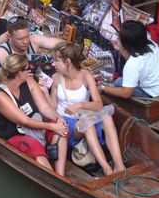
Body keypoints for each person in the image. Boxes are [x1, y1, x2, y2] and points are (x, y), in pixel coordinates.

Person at [50, 43, 125, 176]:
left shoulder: (86, 75)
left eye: (56, 61)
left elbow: (98, 104)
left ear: (68, 61)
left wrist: (80, 105)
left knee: (107, 117)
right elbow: (52, 108)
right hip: (68, 123)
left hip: (84, 115)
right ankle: (107, 168)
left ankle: (119, 165)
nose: (53, 64)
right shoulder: (56, 78)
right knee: (88, 125)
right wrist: (44, 90)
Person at [0, 54, 69, 174]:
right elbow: (24, 121)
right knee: (33, 146)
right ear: (19, 73)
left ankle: (60, 174)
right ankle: (53, 179)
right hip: (15, 134)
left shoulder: (29, 81)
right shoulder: (0, 95)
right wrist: (51, 126)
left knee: (61, 131)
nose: (30, 71)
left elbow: (43, 107)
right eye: (27, 69)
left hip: (36, 128)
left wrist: (58, 118)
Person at [102, 20, 159, 100]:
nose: (118, 39)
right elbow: (135, 62)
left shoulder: (132, 64)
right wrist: (121, 49)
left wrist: (103, 88)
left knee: (119, 82)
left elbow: (126, 93)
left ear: (127, 44)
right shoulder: (151, 44)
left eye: (119, 38)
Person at [0, 16, 65, 65]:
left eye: (27, 36)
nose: (26, 41)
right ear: (9, 37)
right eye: (20, 39)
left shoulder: (34, 40)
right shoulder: (2, 54)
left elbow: (63, 44)